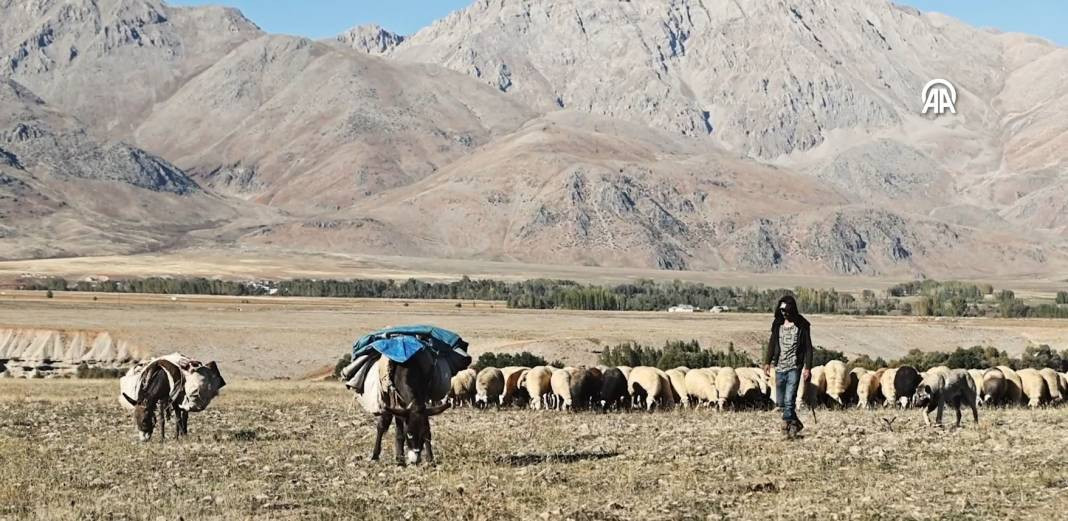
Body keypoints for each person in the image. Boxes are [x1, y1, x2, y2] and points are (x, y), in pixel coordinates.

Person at [763, 295, 813, 438]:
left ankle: (787, 428)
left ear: (792, 310)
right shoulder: (777, 323)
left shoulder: (803, 325)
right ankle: (796, 422)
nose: (785, 313)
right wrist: (767, 362)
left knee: (790, 399)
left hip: (794, 366)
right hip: (779, 366)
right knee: (780, 401)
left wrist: (807, 367)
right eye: (782, 311)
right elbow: (772, 343)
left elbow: (808, 348)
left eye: (787, 311)